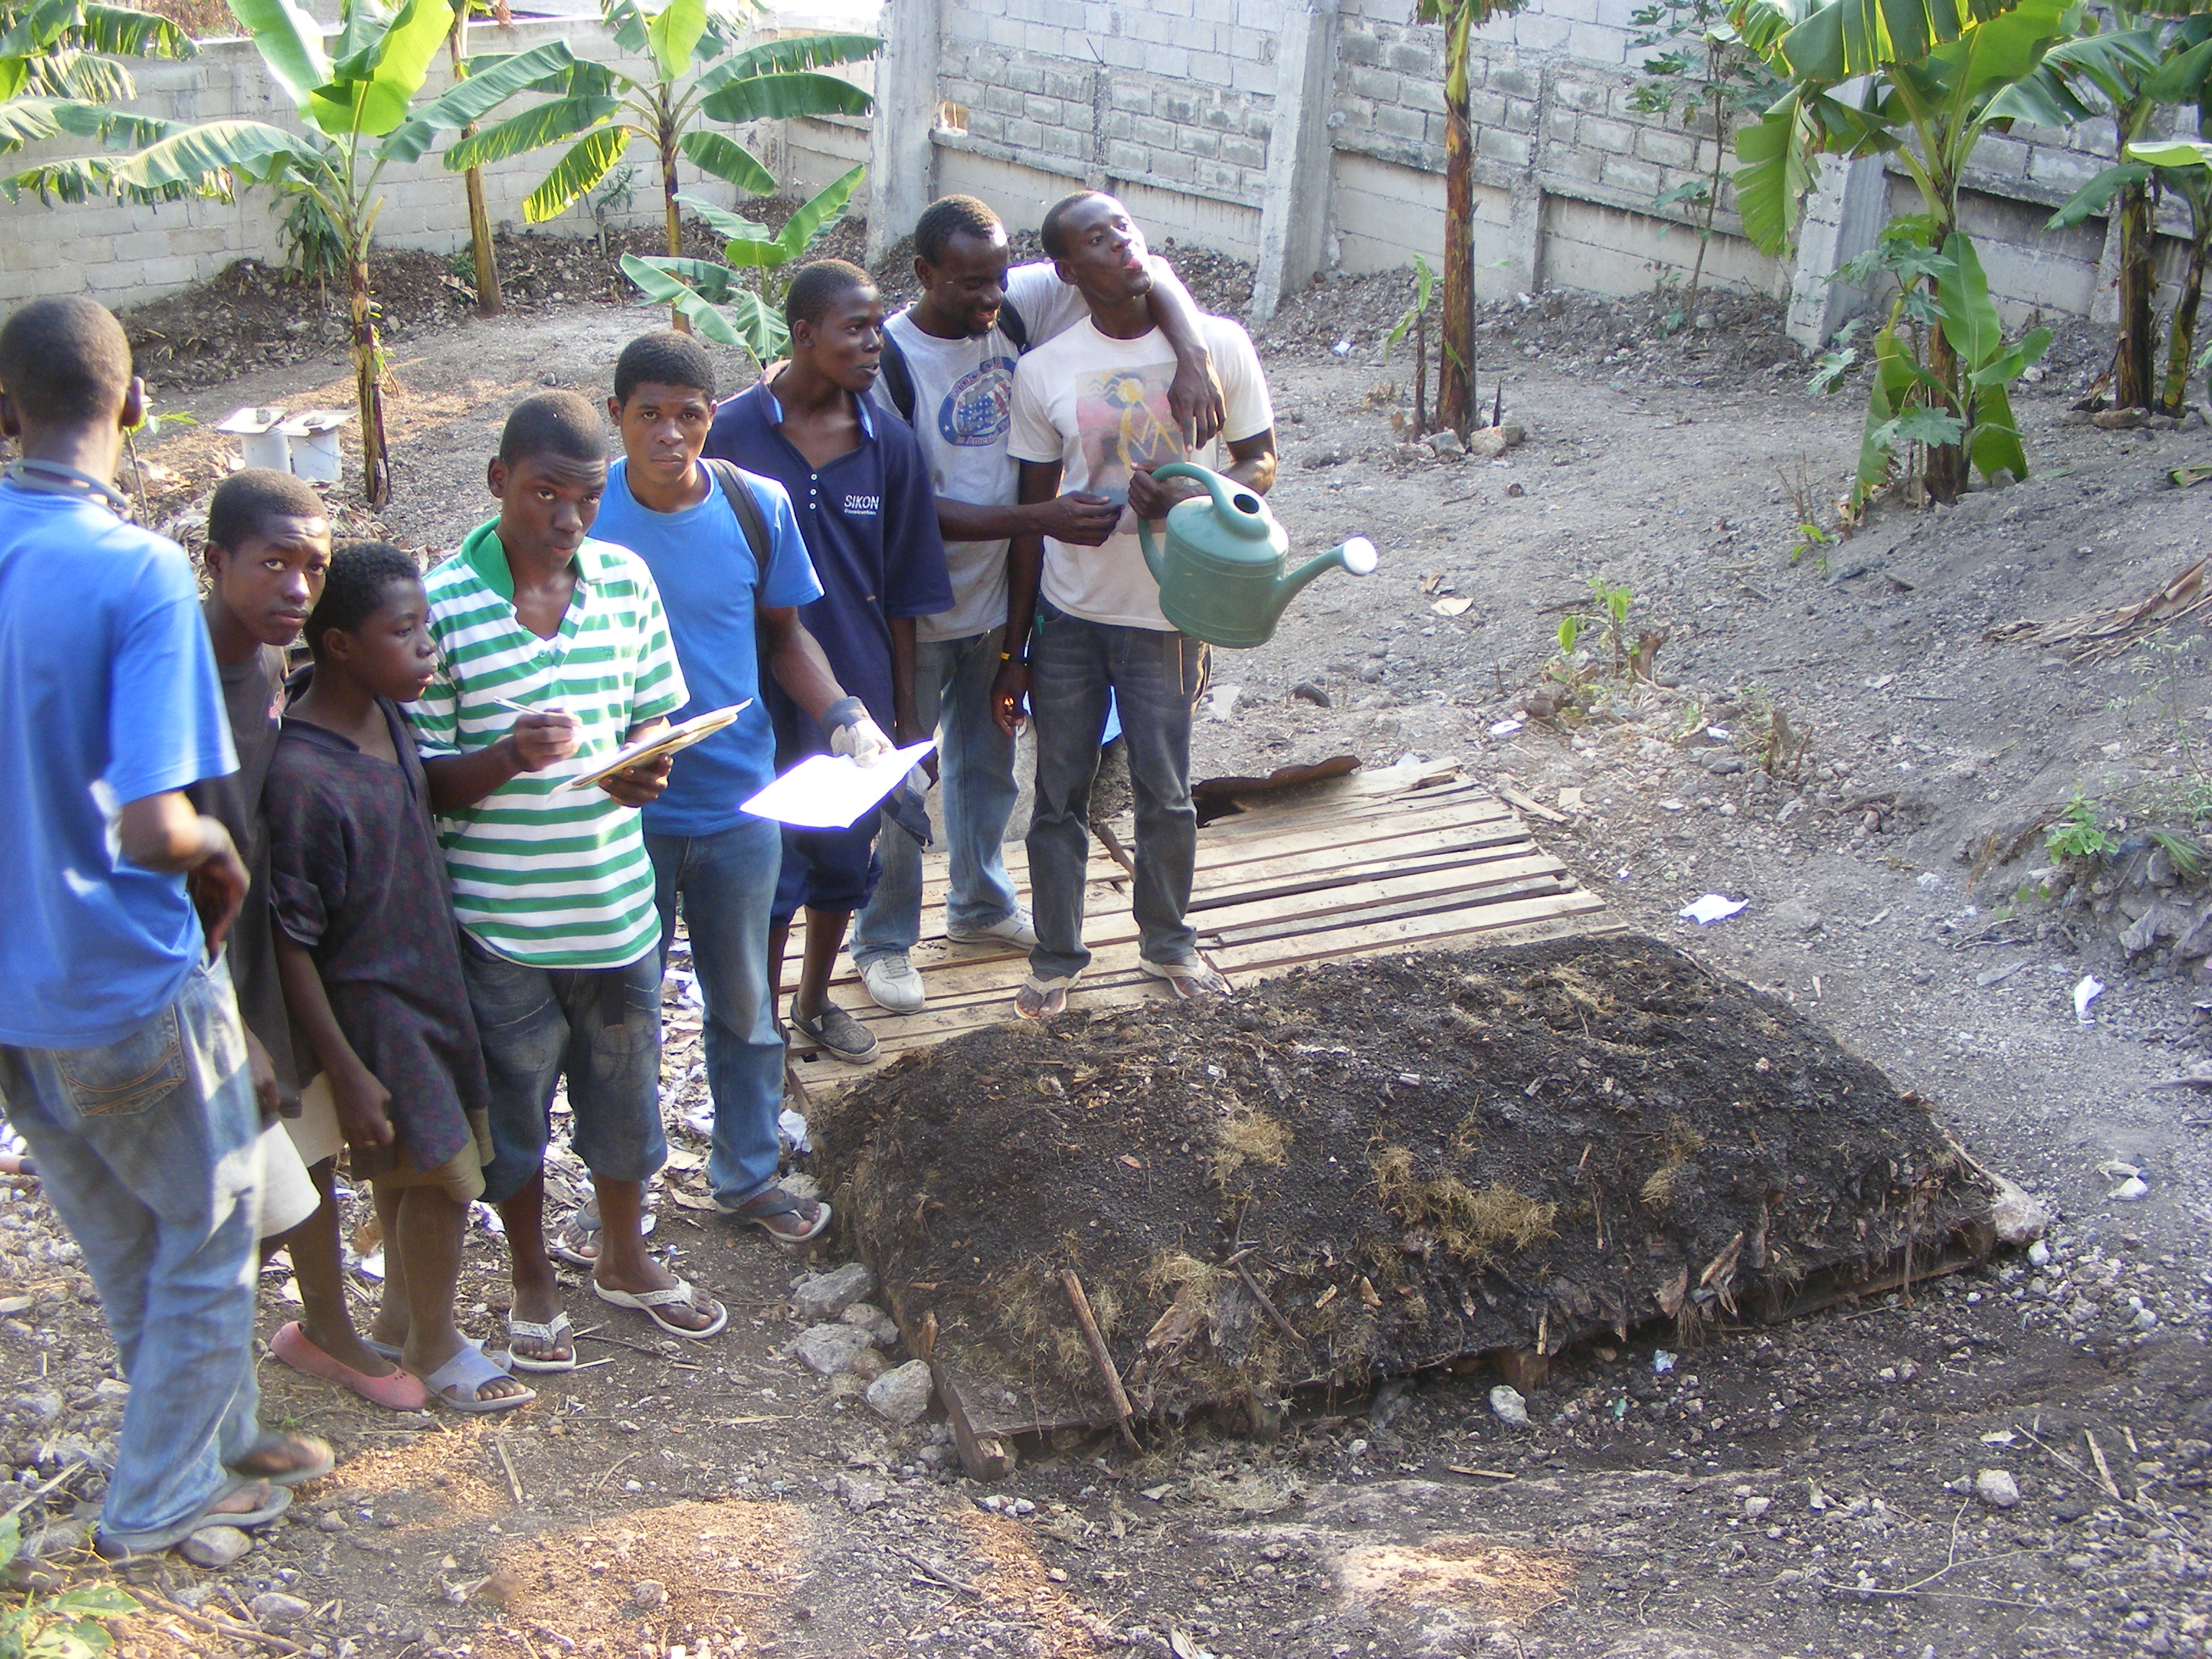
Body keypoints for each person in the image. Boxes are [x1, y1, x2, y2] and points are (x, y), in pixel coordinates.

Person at [0, 296, 330, 1558]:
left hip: (18, 996)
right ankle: (155, 1502)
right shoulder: (133, 569)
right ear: (135, 406)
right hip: (120, 977)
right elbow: (152, 826)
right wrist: (217, 845)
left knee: (133, 1237)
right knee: (208, 1235)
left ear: (4, 410)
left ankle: (213, 1435)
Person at [409, 390, 726, 1370]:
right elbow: (420, 783)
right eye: (545, 494)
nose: (567, 520)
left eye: (585, 500)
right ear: (498, 481)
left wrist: (646, 766)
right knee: (514, 1117)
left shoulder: (624, 582)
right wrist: (504, 757)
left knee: (627, 1103)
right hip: (500, 928)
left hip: (618, 912)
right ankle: (533, 1275)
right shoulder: (438, 604)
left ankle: (625, 1256)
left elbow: (647, 717)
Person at [850, 194, 1226, 1015]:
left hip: (1001, 597)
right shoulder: (889, 365)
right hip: (916, 603)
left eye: (997, 282)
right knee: (904, 774)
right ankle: (884, 940)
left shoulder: (1013, 305)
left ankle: (980, 906)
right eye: (971, 287)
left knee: (989, 768)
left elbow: (1141, 272)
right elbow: (904, 505)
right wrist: (1042, 518)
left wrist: (1192, 351)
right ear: (924, 274)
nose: (991, 302)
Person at [593, 329, 866, 1243]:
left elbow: (784, 636)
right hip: (619, 812)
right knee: (621, 1007)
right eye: (649, 415)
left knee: (744, 1003)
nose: (670, 434)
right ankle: (620, 1204)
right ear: (617, 418)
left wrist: (843, 717)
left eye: (690, 415)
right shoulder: (583, 517)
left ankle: (746, 1175)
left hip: (738, 802)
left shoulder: (757, 506)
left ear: (714, 418)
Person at [995, 193, 1279, 1017]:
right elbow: (1031, 516)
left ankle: (1168, 943)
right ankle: (1055, 956)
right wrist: (1018, 647)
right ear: (1068, 270)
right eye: (1096, 237)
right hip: (1073, 612)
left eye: (1125, 226)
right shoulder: (1045, 370)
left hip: (1169, 615)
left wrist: (1199, 496)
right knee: (1057, 796)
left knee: (1167, 790)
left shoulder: (1217, 343)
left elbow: (1261, 464)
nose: (1120, 242)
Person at [269, 541, 531, 1412]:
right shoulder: (303, 776)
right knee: (445, 1177)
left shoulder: (387, 714)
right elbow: (290, 938)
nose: (431, 650)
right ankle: (436, 1342)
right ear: (340, 644)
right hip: (376, 1010)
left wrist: (505, 758)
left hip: (430, 983)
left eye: (429, 628)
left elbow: (424, 792)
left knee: (417, 1172)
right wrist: (344, 1067)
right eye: (407, 631)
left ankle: (397, 1320)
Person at [189, 469, 426, 1408]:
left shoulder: (266, 669)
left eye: (312, 567)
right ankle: (214, 1409)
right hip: (192, 967)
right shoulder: (176, 674)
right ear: (215, 563)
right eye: (273, 563)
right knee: (222, 1190)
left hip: (269, 942)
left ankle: (324, 1321)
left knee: (308, 1137)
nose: (297, 585)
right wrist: (224, 1020)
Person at [703, 260, 951, 1063]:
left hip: (856, 691)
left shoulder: (892, 446)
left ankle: (814, 1002)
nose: (874, 343)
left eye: (878, 326)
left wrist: (907, 715)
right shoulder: (729, 436)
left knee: (845, 857)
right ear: (804, 334)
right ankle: (762, 1024)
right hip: (754, 690)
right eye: (855, 327)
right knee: (769, 862)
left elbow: (909, 589)